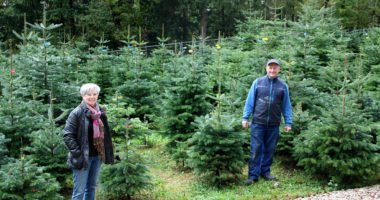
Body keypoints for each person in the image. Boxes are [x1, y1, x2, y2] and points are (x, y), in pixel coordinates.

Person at [242, 59, 292, 185]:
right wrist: (245, 118)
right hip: (258, 123)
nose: (272, 70)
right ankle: (253, 175)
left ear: (279, 70)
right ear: (266, 68)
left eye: (275, 68)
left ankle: (265, 172)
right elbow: (249, 101)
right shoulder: (258, 83)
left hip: (274, 124)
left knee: (269, 149)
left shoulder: (283, 86)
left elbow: (287, 106)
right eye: (270, 68)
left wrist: (288, 122)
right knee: (256, 148)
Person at [63, 83, 114, 199]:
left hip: (97, 157)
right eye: (88, 94)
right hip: (82, 158)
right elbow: (67, 135)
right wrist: (78, 154)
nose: (92, 97)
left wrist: (106, 152)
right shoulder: (77, 113)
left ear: (98, 95)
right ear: (82, 96)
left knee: (91, 188)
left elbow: (105, 134)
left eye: (94, 94)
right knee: (79, 191)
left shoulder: (100, 112)